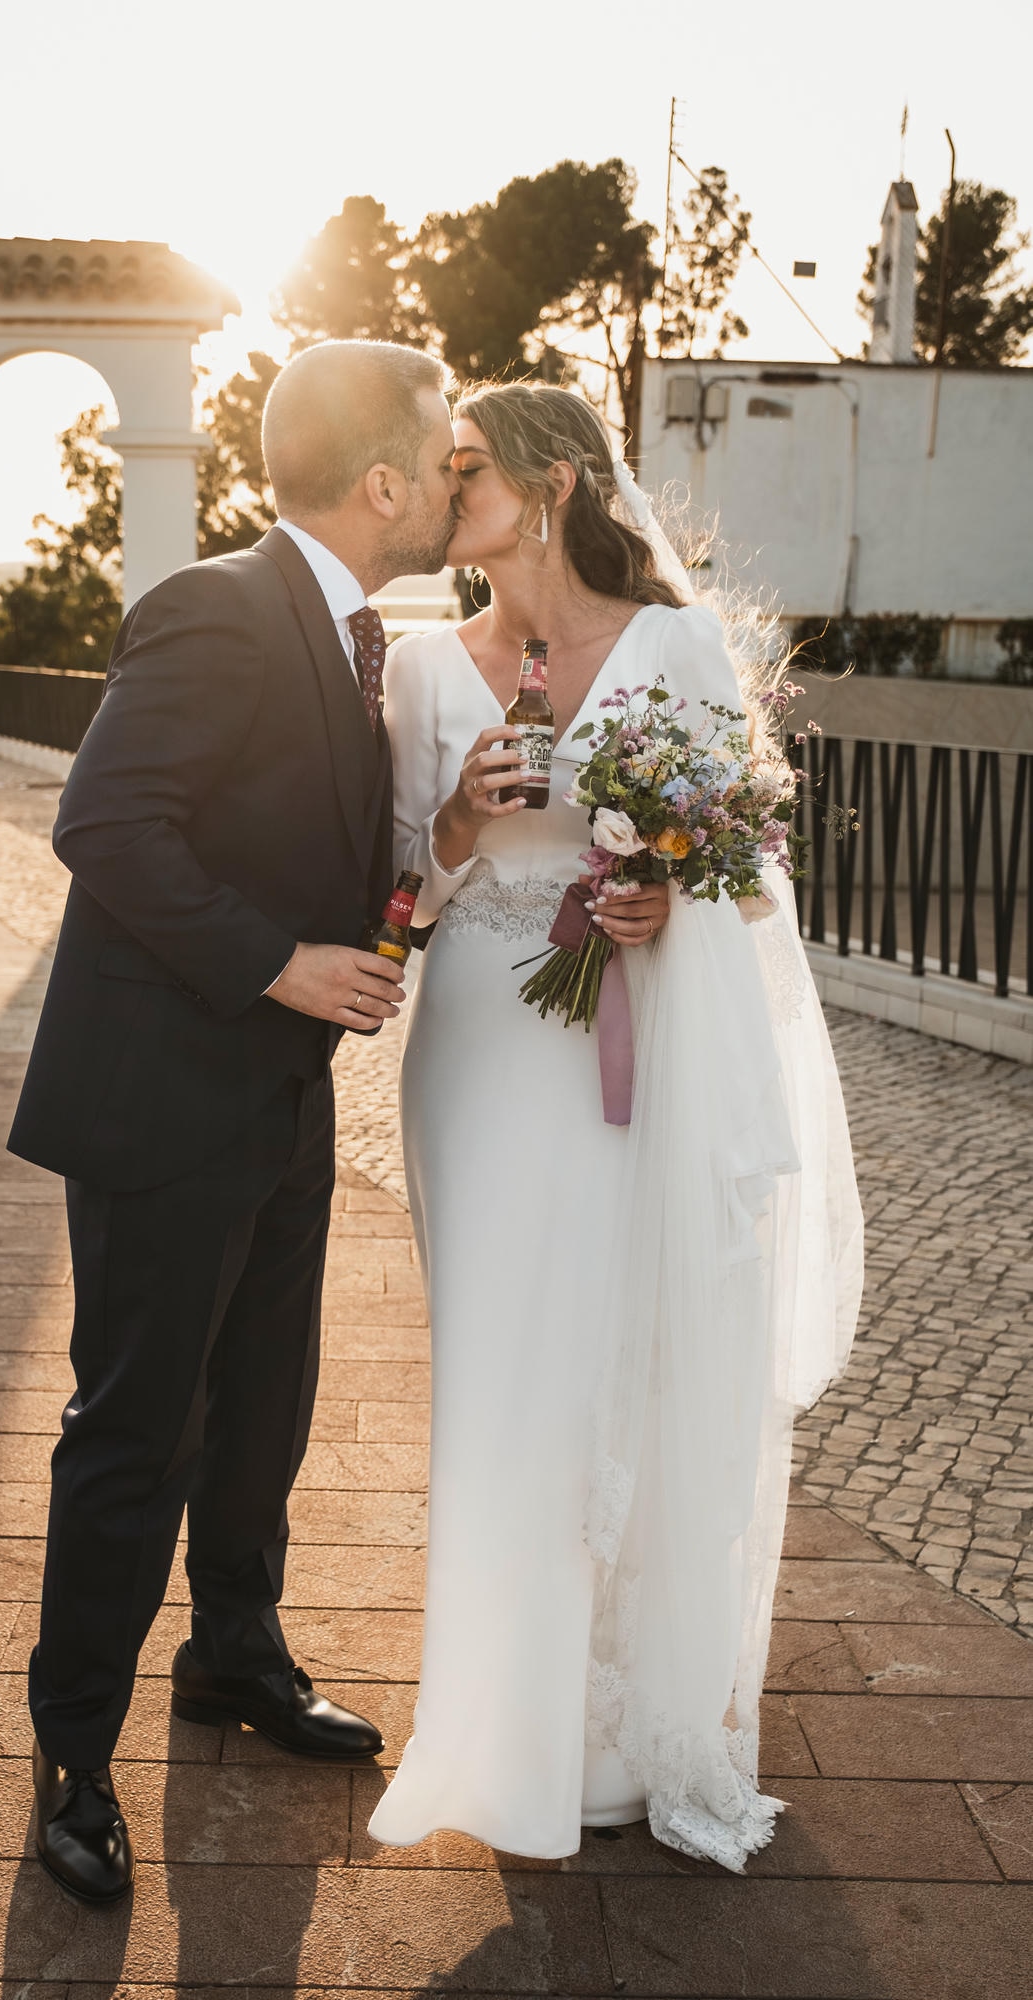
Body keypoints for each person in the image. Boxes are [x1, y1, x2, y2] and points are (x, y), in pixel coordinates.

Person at [367, 382, 863, 1871]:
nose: (444, 489)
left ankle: (626, 1721)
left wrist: (663, 897)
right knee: (502, 1370)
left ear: (557, 481)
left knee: (626, 1356)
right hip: (479, 1051)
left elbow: (743, 882)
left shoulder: (676, 646)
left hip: (632, 1040)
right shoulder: (420, 667)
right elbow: (397, 880)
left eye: (467, 467)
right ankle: (500, 1728)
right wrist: (455, 821)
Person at [7, 340, 461, 1904]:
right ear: (383, 482)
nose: (459, 469)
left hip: (273, 1101)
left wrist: (414, 893)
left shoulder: (357, 643)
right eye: (444, 449)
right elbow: (104, 823)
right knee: (138, 1434)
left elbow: (330, 858)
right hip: (157, 1102)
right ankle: (74, 1758)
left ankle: (233, 1656)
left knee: (264, 1404)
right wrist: (277, 966)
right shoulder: (214, 606)